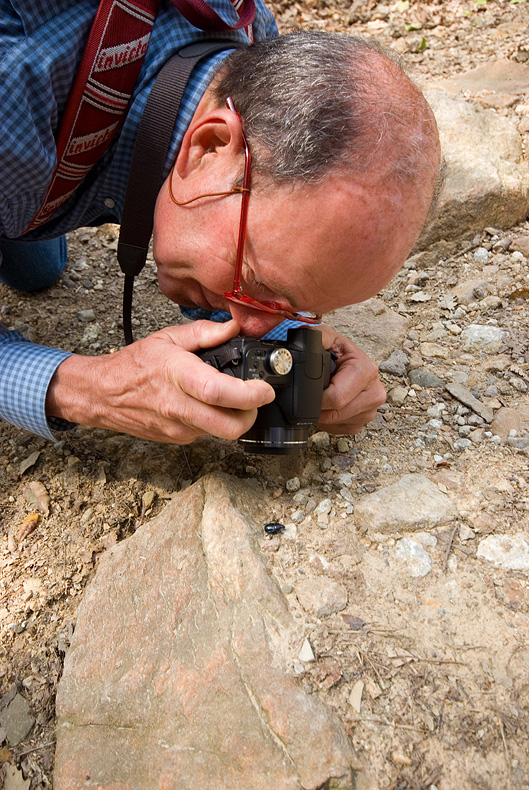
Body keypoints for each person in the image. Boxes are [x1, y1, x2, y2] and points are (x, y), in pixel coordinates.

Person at [0, 0, 441, 446]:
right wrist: (86, 388)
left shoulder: (255, 53)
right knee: (25, 237)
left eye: (289, 306)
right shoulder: (14, 99)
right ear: (209, 146)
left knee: (38, 270)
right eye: (257, 282)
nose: (257, 328)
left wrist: (299, 350)